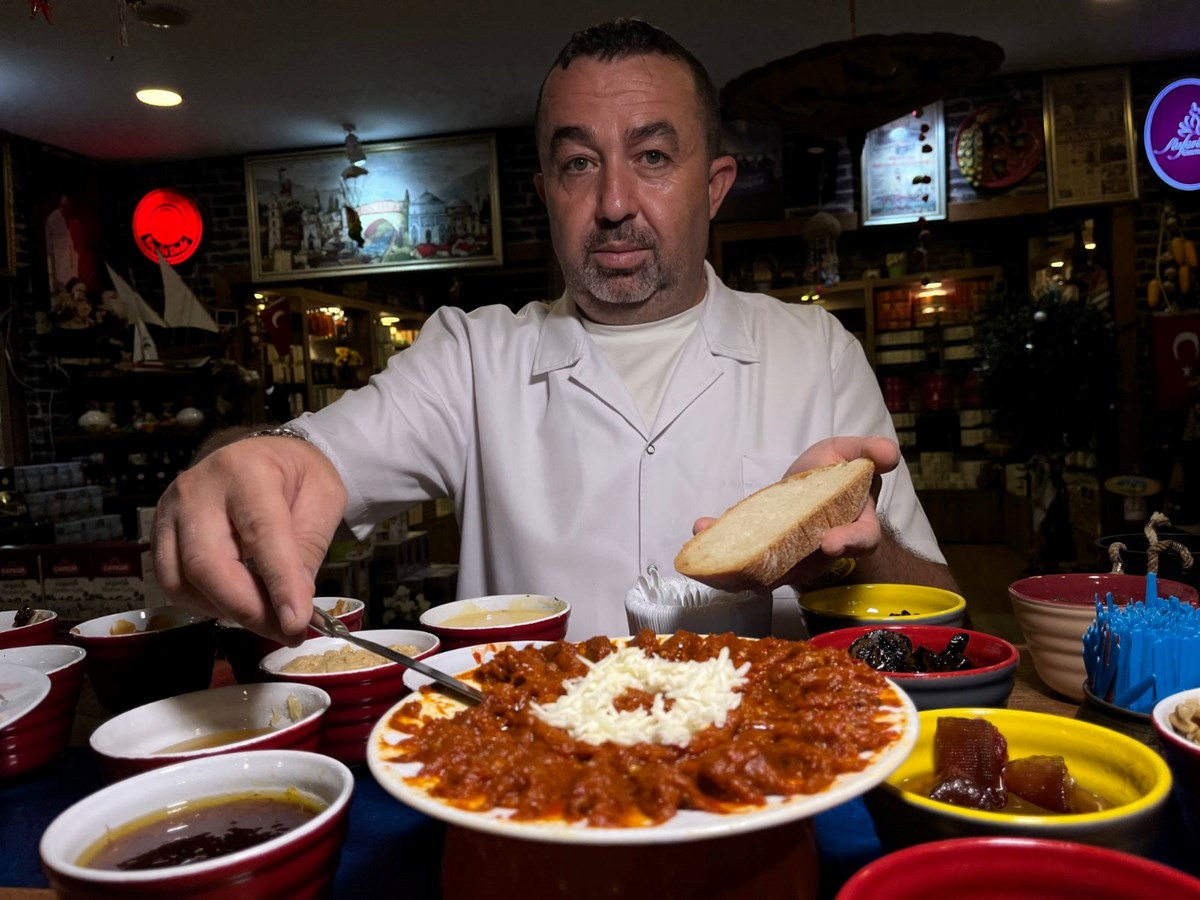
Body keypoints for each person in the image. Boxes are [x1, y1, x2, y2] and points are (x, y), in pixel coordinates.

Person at [154, 18, 957, 645]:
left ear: (714, 187)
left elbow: (945, 623)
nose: (613, 202)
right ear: (545, 192)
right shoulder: (471, 358)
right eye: (579, 163)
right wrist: (252, 465)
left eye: (652, 156)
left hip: (771, 772)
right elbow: (311, 458)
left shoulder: (816, 354)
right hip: (528, 782)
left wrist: (850, 556)